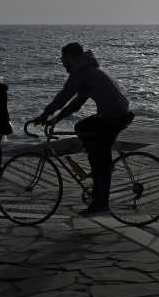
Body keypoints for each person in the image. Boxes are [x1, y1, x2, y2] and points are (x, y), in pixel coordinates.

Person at [32, 43, 132, 216]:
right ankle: (99, 166)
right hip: (116, 113)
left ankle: (101, 204)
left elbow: (64, 96)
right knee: (82, 128)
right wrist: (55, 119)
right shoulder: (88, 70)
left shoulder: (82, 72)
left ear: (71, 57)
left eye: (63, 58)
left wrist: (45, 115)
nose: (62, 62)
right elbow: (76, 104)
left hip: (113, 116)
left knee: (99, 159)